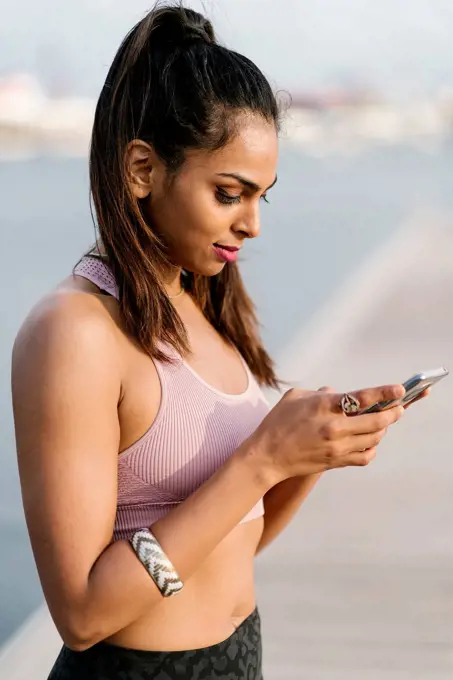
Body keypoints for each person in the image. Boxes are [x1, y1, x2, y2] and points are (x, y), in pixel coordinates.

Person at [11, 4, 412, 679]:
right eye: (229, 193)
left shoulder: (199, 306)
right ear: (141, 169)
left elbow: (227, 540)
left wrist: (306, 454)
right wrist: (259, 459)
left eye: (262, 197)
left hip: (236, 656)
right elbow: (82, 614)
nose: (252, 223)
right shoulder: (74, 333)